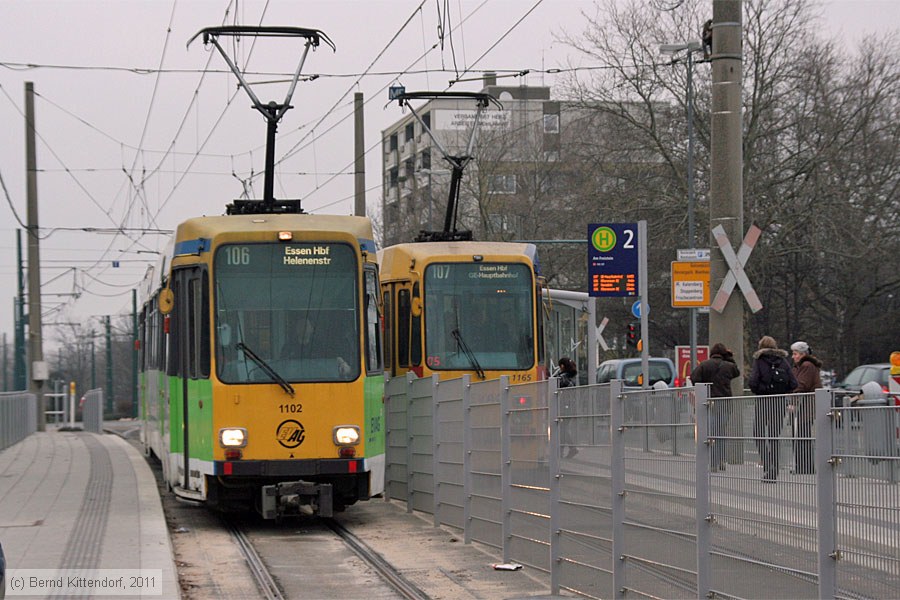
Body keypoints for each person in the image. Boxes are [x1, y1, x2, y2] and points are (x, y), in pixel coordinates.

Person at [748, 336, 798, 482]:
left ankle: (767, 463)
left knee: (758, 433)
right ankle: (774, 468)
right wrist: (782, 392)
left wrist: (760, 390)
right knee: (774, 435)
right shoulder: (783, 361)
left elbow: (753, 381)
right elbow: (793, 383)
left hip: (763, 401)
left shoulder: (759, 360)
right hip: (779, 402)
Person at [691, 342, 740, 472]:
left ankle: (712, 463)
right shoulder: (728, 366)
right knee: (721, 432)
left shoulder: (704, 365)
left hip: (709, 402)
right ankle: (722, 460)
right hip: (724, 403)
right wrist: (729, 357)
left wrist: (703, 388)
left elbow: (694, 377)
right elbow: (737, 372)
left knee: (711, 433)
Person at [789, 341, 822, 474]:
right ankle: (802, 465)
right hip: (803, 406)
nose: (793, 356)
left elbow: (801, 385)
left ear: (802, 354)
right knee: (800, 435)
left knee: (802, 436)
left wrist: (794, 402)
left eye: (795, 353)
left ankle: (805, 466)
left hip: (805, 406)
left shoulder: (806, 366)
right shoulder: (800, 366)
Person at [557, 357, 579, 458]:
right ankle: (569, 449)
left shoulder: (562, 378)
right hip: (570, 407)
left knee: (562, 429)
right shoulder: (572, 378)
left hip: (562, 406)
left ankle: (568, 449)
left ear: (562, 366)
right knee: (563, 429)